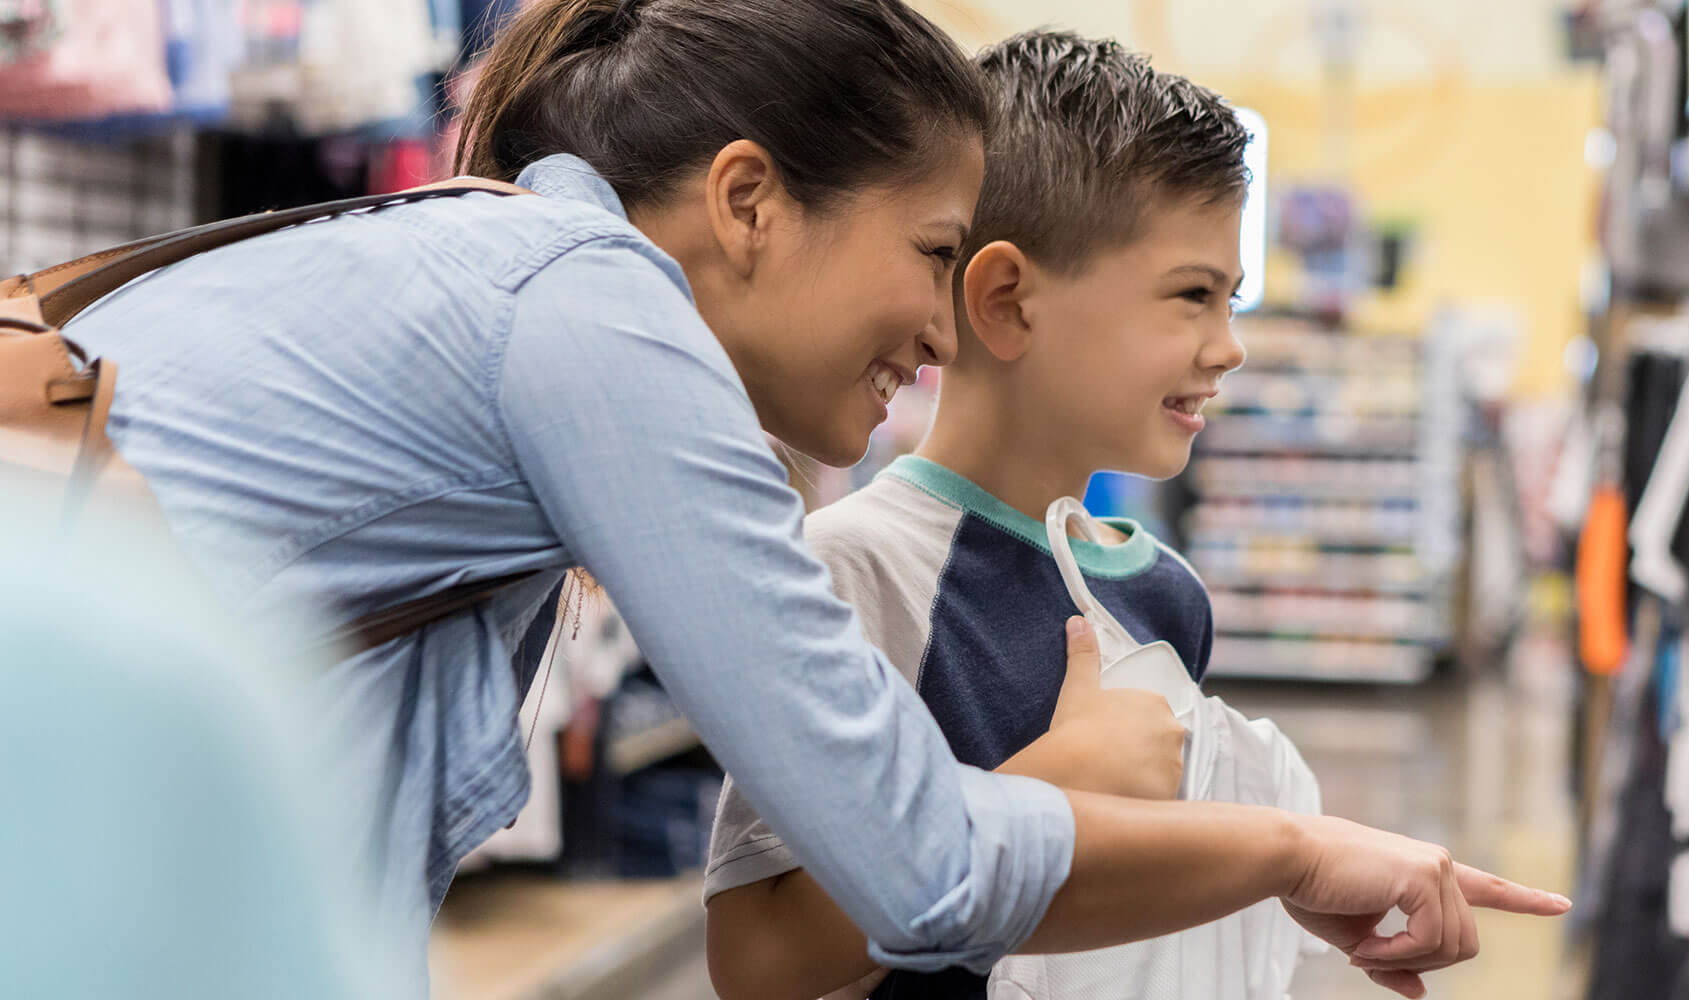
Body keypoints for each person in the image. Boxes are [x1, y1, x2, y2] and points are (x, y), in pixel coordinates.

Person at [53, 0, 1563, 989]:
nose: (939, 323)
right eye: (930, 251)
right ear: (751, 203)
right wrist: (1296, 852)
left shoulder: (483, 263)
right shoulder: (599, 319)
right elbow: (916, 869)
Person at [703, 30, 1334, 1000]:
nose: (1229, 347)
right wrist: (1050, 783)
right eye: (1193, 296)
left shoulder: (1166, 595)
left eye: (1233, 299)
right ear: (1006, 299)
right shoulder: (849, 576)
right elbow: (759, 961)